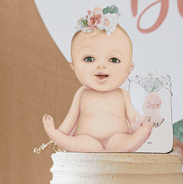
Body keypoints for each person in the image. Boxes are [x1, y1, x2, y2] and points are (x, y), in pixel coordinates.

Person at [43, 8, 153, 153]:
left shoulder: (122, 94)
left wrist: (141, 123)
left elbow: (133, 117)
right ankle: (56, 136)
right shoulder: (82, 94)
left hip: (118, 138)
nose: (101, 66)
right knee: (85, 144)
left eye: (114, 60)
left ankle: (142, 135)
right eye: (89, 59)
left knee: (120, 141)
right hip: (87, 140)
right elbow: (70, 119)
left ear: (130, 67)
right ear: (73, 66)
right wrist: (61, 133)